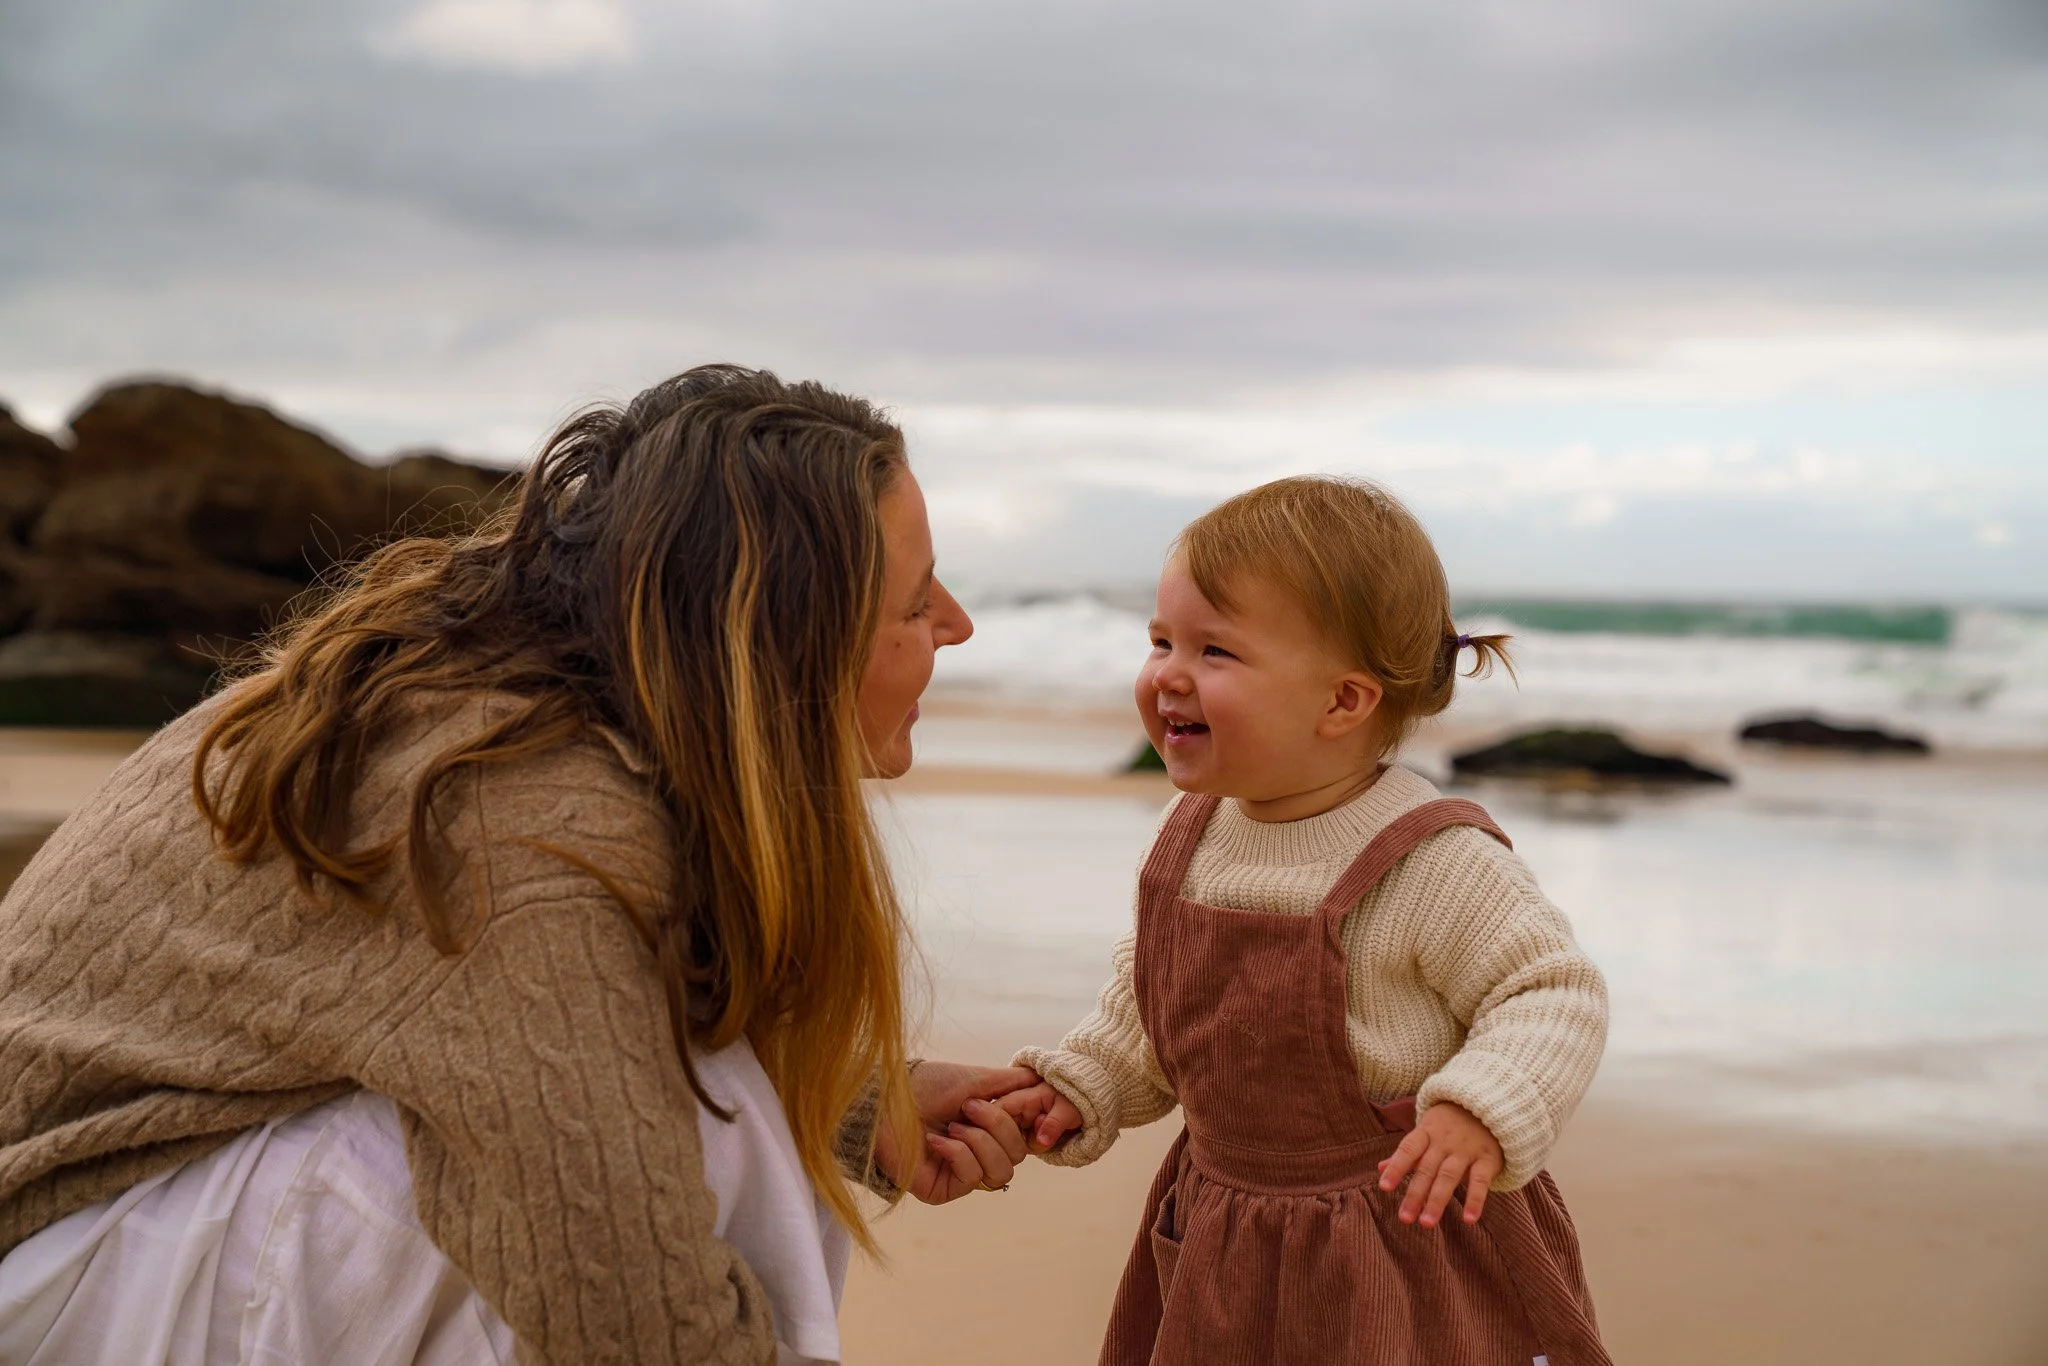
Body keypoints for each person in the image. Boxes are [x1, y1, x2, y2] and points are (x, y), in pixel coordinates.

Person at [0, 365, 1036, 1365]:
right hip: (50, 1253)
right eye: (912, 601)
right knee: (712, 1128)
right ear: (783, 640)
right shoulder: (515, 823)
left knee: (717, 1104)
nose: (957, 623)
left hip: (141, 1202)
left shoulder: (550, 698)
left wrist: (864, 1104)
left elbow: (590, 1016)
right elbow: (632, 1323)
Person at [996, 476, 1613, 1365]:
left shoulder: (1428, 857)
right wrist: (1084, 1083)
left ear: (1342, 702)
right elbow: (1152, 1007)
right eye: (1161, 639)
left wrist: (1483, 1109)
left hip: (1403, 1243)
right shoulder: (1191, 840)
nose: (1168, 673)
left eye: (1216, 652)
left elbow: (1552, 989)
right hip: (1224, 1235)